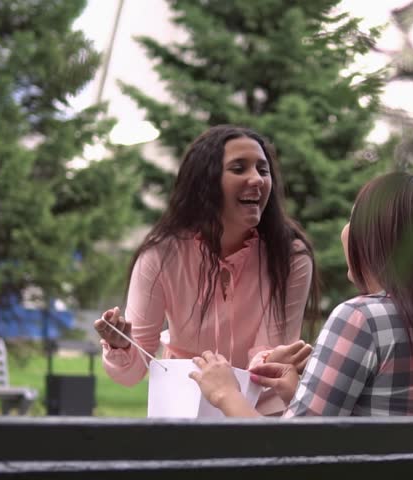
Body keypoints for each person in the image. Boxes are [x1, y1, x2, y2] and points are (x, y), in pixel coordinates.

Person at [190, 172, 413, 417]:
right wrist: (298, 394)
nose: (347, 230)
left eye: (353, 218)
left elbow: (289, 455)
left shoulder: (360, 319)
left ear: (376, 238)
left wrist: (225, 394)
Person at [93, 125, 318, 412]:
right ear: (205, 182)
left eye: (263, 170)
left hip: (259, 416)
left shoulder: (291, 257)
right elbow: (131, 373)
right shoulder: (160, 256)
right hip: (182, 409)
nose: (257, 179)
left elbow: (267, 363)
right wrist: (121, 346)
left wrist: (265, 366)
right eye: (239, 168)